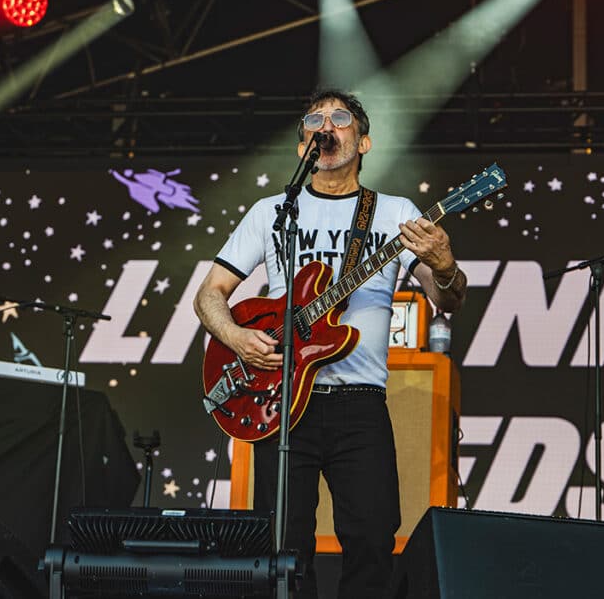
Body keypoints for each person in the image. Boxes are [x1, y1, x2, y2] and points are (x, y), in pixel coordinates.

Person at [194, 88, 467, 598]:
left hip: (359, 403)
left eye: (340, 118)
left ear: (363, 142)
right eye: (314, 120)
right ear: (303, 147)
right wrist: (236, 337)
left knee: (371, 540)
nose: (326, 125)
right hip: (281, 402)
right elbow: (210, 294)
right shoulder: (272, 212)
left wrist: (446, 263)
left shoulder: (393, 212)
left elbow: (446, 299)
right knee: (283, 549)